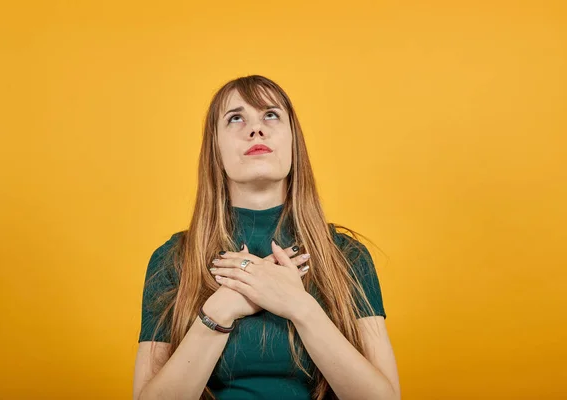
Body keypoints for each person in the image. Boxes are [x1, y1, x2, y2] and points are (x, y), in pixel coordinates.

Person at [132, 75, 400, 400]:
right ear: (215, 149)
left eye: (270, 115)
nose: (255, 129)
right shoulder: (172, 258)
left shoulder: (348, 256)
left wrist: (299, 306)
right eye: (236, 118)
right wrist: (220, 311)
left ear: (293, 142)